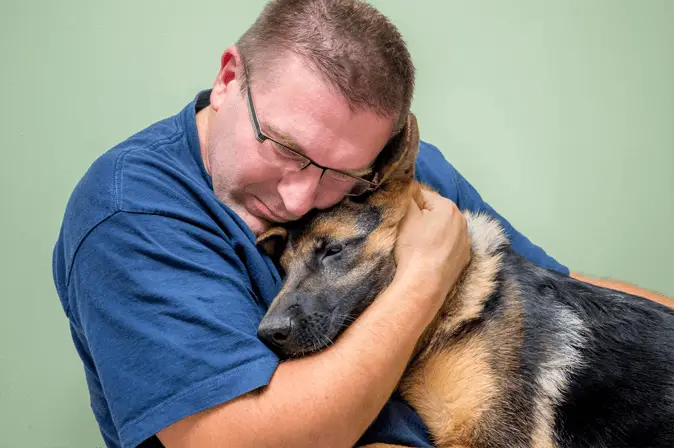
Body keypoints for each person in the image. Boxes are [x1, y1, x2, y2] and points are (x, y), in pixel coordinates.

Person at [52, 1, 671, 447]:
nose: (299, 198)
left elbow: (554, 284)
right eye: (285, 147)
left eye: (338, 173)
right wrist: (427, 272)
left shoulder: (385, 167)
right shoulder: (132, 211)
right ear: (228, 78)